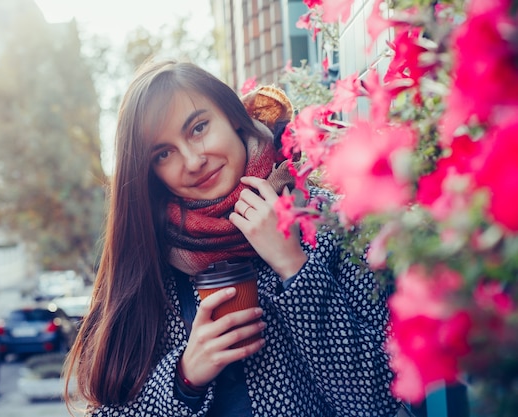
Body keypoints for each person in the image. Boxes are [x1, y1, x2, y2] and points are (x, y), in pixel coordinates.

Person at [64, 58, 401, 417]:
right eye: (164, 153)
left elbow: (379, 399)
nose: (193, 160)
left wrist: (294, 268)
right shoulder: (150, 258)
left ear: (233, 116)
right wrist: (183, 379)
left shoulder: (333, 222)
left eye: (198, 128)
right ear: (151, 173)